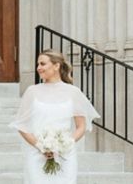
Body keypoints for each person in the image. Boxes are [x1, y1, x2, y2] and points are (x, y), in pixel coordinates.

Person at [10, 49, 100, 183]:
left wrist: (65, 144)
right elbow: (21, 126)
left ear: (56, 66)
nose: (38, 68)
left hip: (65, 155)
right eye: (37, 64)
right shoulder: (32, 91)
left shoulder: (73, 92)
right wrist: (41, 146)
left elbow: (81, 126)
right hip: (37, 154)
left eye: (42, 64)